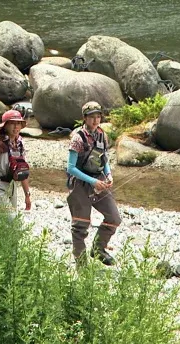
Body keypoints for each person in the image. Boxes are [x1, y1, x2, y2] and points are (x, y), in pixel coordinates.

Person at [66, 101, 121, 266]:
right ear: (84, 118)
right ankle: (81, 265)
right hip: (80, 185)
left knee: (114, 218)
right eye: (92, 117)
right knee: (80, 227)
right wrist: (93, 181)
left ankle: (98, 249)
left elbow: (104, 159)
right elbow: (70, 168)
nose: (96, 120)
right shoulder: (78, 138)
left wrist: (109, 175)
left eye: (98, 116)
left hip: (99, 181)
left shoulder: (102, 135)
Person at [0, 109, 32, 214]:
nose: (16, 127)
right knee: (11, 219)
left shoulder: (20, 144)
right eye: (12, 123)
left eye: (18, 123)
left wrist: (27, 195)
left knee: (8, 224)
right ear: (5, 126)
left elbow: (23, 171)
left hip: (13, 187)